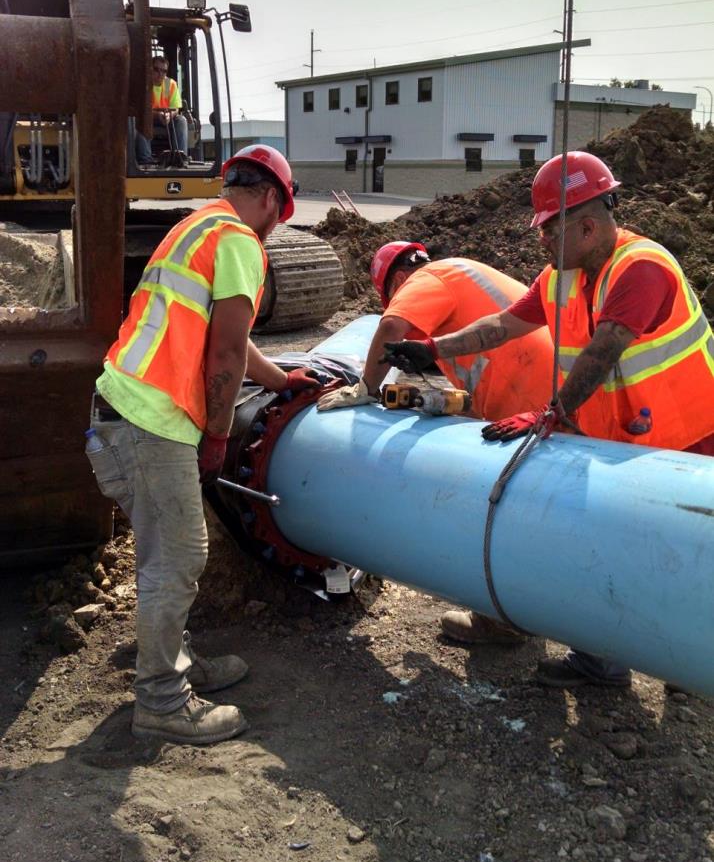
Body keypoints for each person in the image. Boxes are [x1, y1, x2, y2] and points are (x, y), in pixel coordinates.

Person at [383, 151, 714, 689]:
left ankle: (687, 661)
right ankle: (600, 662)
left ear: (586, 225)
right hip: (619, 441)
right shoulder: (562, 276)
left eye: (547, 230)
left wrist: (553, 413)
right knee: (596, 539)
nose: (538, 240)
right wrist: (431, 348)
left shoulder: (642, 268)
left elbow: (604, 350)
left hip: (688, 441)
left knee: (683, 556)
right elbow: (501, 326)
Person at [86, 144, 320, 744]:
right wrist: (217, 436)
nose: (274, 228)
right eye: (280, 215)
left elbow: (228, 342)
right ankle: (162, 699)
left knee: (162, 552)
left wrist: (279, 381)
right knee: (182, 555)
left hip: (122, 410)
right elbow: (223, 355)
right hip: (153, 420)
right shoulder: (241, 240)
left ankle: (172, 661)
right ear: (271, 197)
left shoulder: (196, 226)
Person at [318, 240, 555, 645]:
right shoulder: (465, 276)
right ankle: (557, 627)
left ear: (398, 279)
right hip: (557, 392)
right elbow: (488, 362)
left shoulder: (429, 277)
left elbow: (391, 328)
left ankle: (502, 623)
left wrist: (366, 389)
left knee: (506, 511)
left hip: (532, 404)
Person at [135, 53, 189, 164]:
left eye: (164, 71)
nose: (160, 74)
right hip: (148, 118)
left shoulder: (170, 84)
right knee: (140, 121)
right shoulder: (143, 84)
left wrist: (169, 115)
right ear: (150, 69)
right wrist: (157, 115)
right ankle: (146, 162)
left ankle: (179, 158)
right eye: (156, 70)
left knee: (181, 120)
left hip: (166, 119)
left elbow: (175, 108)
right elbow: (139, 109)